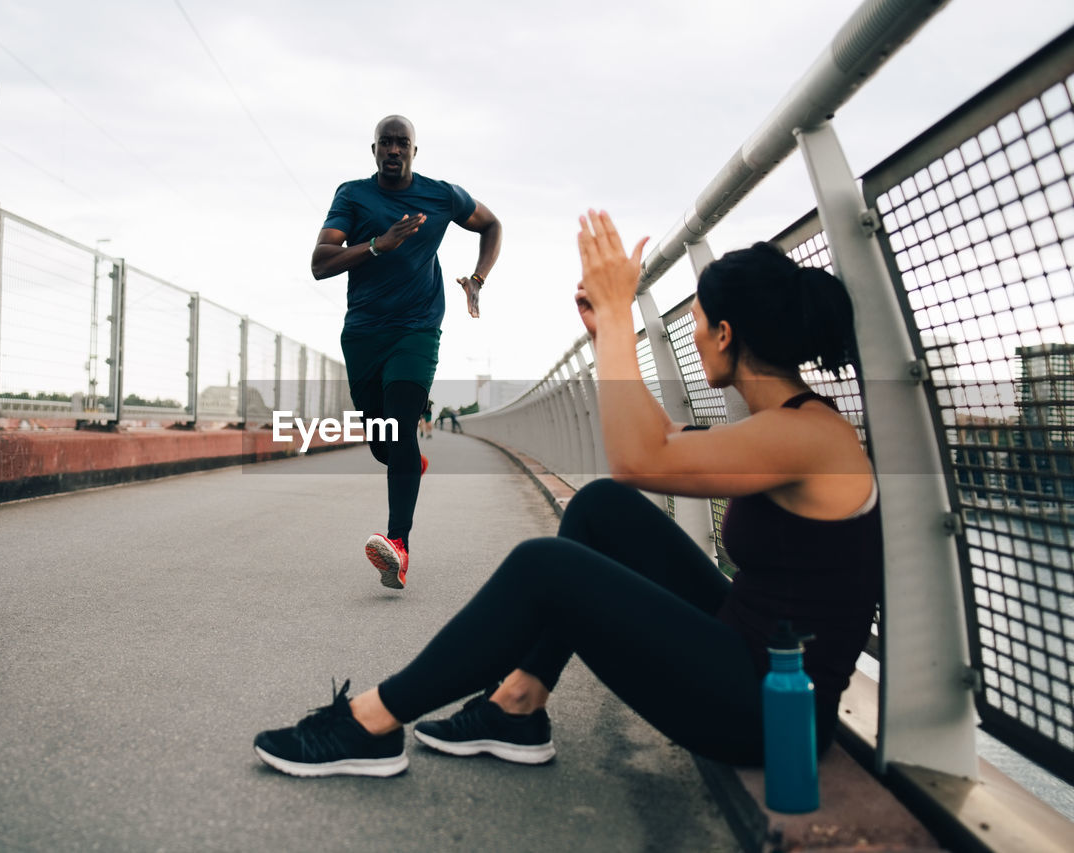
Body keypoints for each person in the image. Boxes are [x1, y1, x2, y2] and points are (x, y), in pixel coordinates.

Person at [256, 210, 880, 778]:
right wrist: (604, 330)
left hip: (771, 712)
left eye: (692, 324)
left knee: (545, 567)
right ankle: (516, 705)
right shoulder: (791, 427)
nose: (689, 336)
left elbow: (640, 457)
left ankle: (369, 722)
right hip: (750, 657)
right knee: (600, 508)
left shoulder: (809, 439)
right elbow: (659, 438)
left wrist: (616, 318)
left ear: (723, 334)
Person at [311, 115, 502, 590]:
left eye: (403, 143)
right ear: (373, 150)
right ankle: (409, 461)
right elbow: (320, 262)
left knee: (398, 427)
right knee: (385, 444)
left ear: (415, 151)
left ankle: (398, 546)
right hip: (363, 334)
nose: (394, 150)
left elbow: (491, 224)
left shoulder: (441, 196)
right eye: (386, 143)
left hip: (418, 330)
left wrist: (477, 280)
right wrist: (377, 245)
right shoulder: (352, 195)